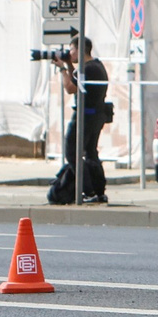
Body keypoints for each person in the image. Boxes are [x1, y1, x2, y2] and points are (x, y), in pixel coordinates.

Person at [48, 37, 110, 204]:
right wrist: (69, 64)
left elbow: (70, 88)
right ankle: (98, 191)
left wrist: (62, 69)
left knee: (72, 152)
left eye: (72, 50)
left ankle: (88, 191)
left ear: (81, 50)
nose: (70, 53)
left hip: (84, 117)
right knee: (90, 153)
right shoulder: (97, 66)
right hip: (96, 116)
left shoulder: (86, 69)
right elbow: (78, 82)